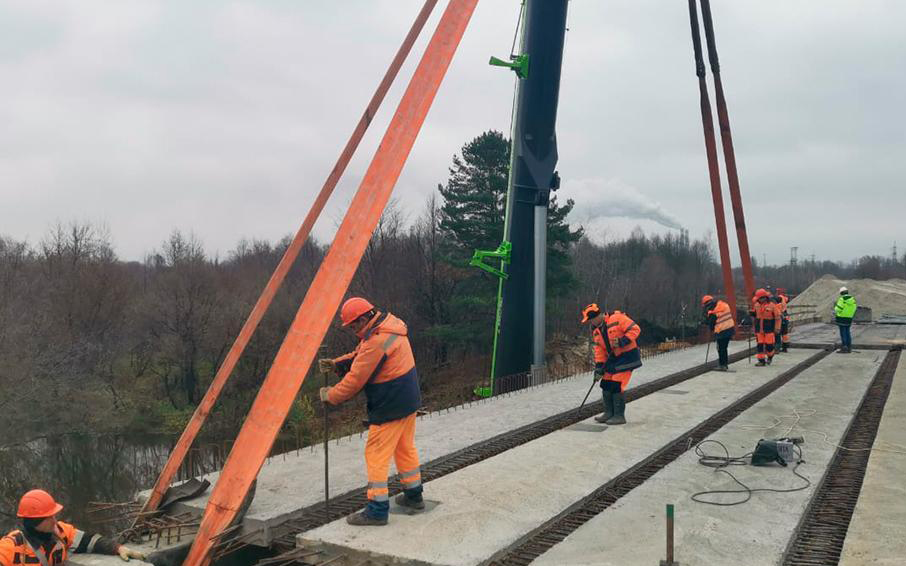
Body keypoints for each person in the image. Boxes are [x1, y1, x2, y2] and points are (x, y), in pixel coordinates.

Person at [318, 297, 423, 526]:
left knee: (375, 455)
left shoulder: (377, 339)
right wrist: (337, 364)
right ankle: (414, 496)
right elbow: (362, 354)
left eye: (354, 325)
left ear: (364, 318)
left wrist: (330, 395)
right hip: (407, 399)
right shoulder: (389, 327)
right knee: (405, 448)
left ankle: (377, 510)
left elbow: (356, 379)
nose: (353, 330)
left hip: (391, 404)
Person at [0, 489, 145, 566]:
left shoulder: (59, 532)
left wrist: (118, 548)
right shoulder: (12, 547)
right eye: (49, 517)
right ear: (35, 522)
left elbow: (90, 541)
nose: (54, 520)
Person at [581, 303, 642, 425]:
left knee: (616, 384)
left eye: (591, 320)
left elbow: (635, 329)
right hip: (612, 359)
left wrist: (622, 341)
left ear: (596, 316)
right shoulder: (596, 331)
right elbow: (599, 349)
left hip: (627, 357)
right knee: (606, 383)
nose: (590, 323)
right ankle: (608, 413)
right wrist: (599, 367)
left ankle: (619, 416)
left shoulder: (618, 319)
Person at [701, 294, 735, 371]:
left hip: (721, 331)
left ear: (706, 304)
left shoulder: (713, 310)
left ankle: (723, 365)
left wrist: (709, 325)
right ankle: (724, 364)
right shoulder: (723, 305)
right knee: (724, 348)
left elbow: (712, 323)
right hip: (729, 329)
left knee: (721, 348)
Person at [751, 288, 782, 366]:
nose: (761, 299)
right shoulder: (756, 305)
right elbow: (755, 316)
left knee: (769, 346)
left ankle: (770, 357)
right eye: (760, 298)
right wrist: (752, 314)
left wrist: (777, 328)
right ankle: (761, 361)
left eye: (763, 298)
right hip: (759, 329)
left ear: (765, 297)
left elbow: (778, 318)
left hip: (769, 328)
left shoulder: (772, 305)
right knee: (760, 345)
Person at [834, 286, 857, 353]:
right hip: (849, 318)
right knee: (847, 332)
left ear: (841, 293)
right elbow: (854, 308)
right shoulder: (852, 300)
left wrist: (836, 311)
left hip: (841, 318)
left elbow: (838, 309)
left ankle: (844, 347)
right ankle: (849, 347)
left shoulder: (842, 299)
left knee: (843, 332)